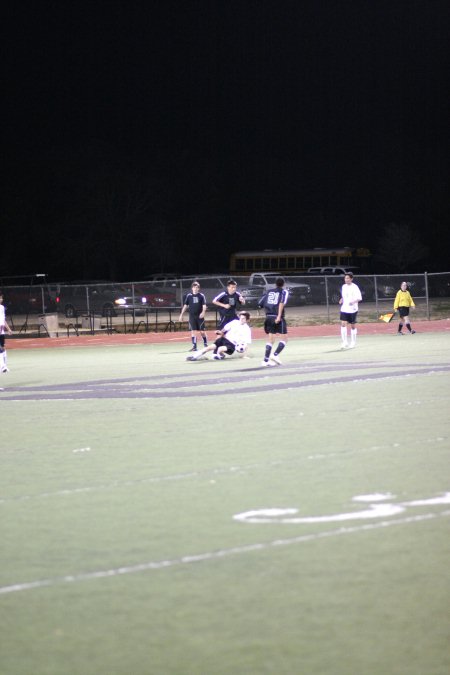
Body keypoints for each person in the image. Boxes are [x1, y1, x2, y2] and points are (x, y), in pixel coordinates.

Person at [187, 311, 251, 361]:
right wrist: (220, 332)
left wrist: (245, 355)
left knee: (220, 349)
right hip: (224, 340)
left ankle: (219, 354)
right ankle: (194, 357)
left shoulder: (247, 329)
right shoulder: (234, 322)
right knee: (209, 348)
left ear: (247, 320)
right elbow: (225, 329)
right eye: (240, 318)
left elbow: (246, 343)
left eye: (243, 318)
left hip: (232, 345)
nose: (241, 319)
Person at [258, 277, 289, 366]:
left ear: (275, 284)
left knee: (271, 339)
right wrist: (279, 316)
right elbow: (282, 302)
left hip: (268, 317)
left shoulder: (268, 291)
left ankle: (265, 360)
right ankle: (275, 355)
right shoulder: (284, 292)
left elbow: (260, 304)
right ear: (283, 284)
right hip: (277, 317)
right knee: (285, 339)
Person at [178, 281, 208, 351]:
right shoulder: (189, 296)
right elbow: (185, 306)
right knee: (193, 331)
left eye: (197, 287)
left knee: (202, 332)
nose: (195, 288)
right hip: (192, 317)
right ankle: (194, 347)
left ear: (198, 288)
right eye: (194, 287)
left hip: (200, 317)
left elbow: (204, 305)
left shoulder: (201, 296)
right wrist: (181, 314)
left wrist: (203, 312)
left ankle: (205, 343)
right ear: (192, 288)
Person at [339, 272, 362, 349]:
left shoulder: (355, 287)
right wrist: (341, 299)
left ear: (351, 279)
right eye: (345, 278)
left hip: (353, 309)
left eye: (348, 278)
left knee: (352, 326)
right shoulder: (343, 286)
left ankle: (353, 342)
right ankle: (344, 342)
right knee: (343, 324)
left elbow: (359, 298)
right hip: (344, 308)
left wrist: (353, 302)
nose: (346, 279)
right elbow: (344, 296)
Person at [0, 292, 12, 373]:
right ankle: (2, 366)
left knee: (3, 348)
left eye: (1, 298)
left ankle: (5, 365)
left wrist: (8, 329)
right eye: (0, 298)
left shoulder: (2, 307)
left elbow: (3, 320)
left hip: (1, 330)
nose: (1, 299)